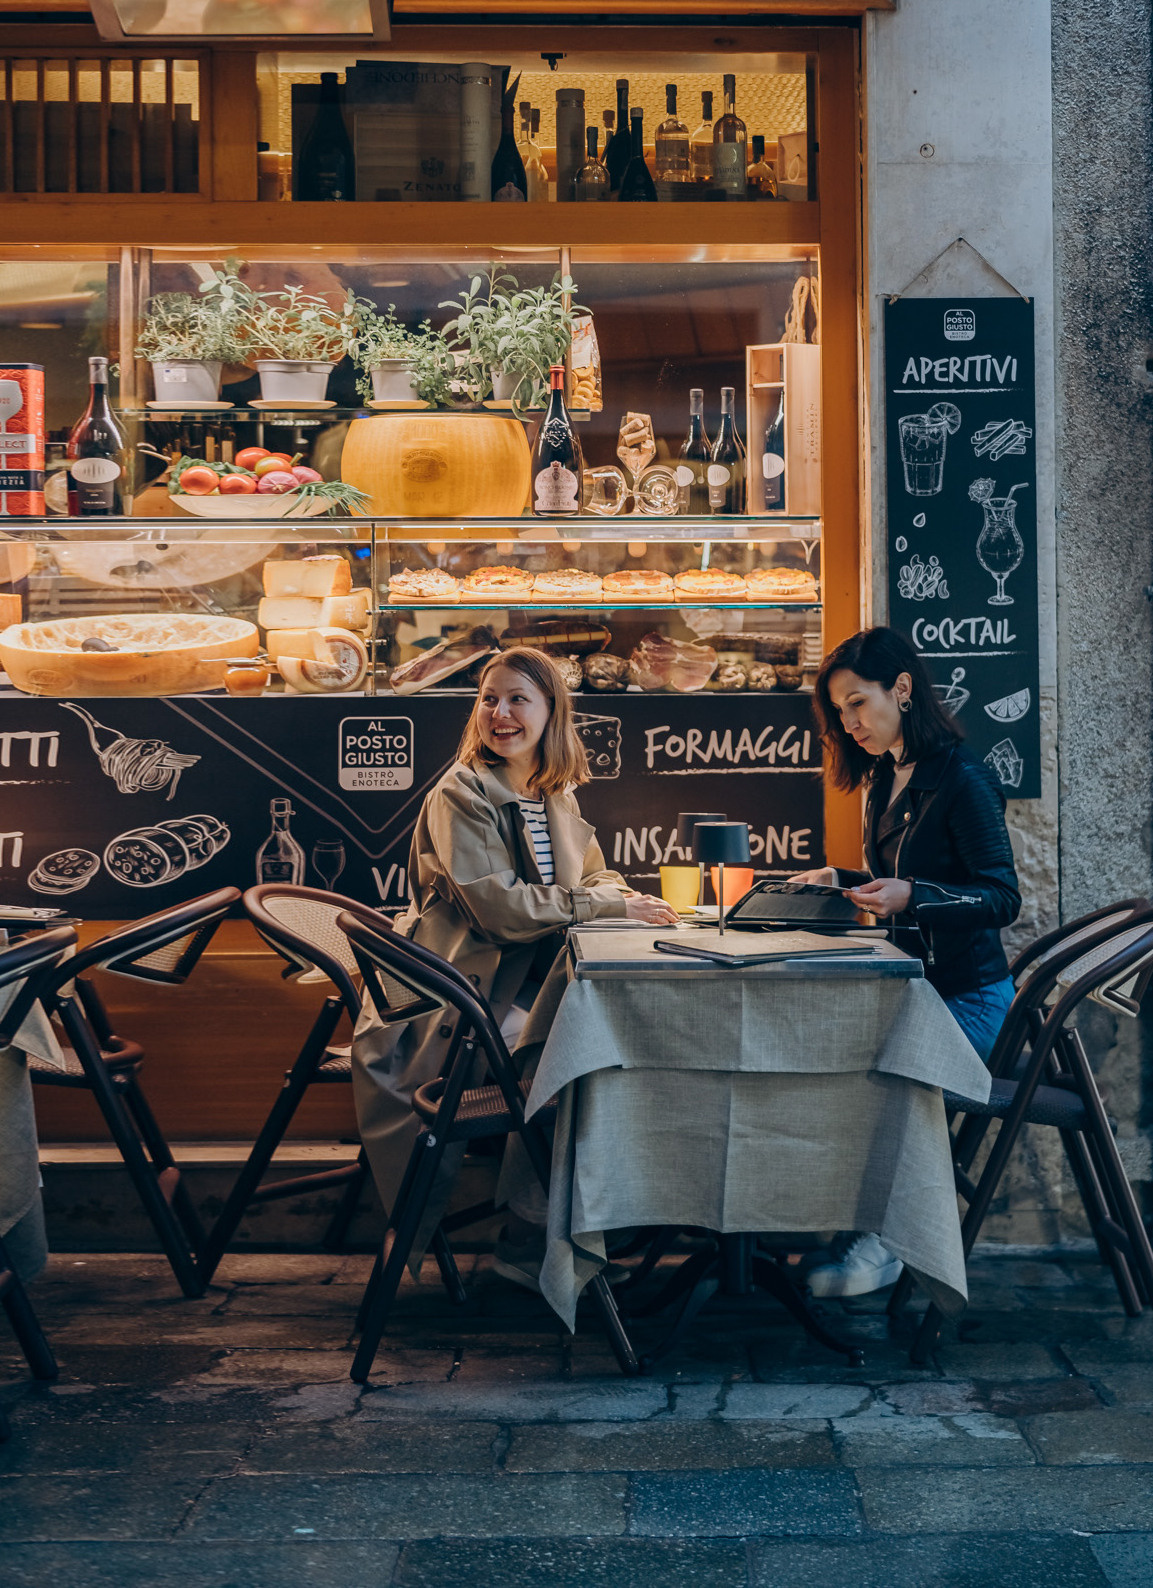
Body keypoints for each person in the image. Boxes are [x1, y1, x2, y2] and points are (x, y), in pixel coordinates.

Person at [351, 646, 677, 1285]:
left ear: (552, 712)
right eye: (489, 699)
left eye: (517, 699)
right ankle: (531, 1238)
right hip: (455, 1002)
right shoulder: (460, 792)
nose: (499, 713)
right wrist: (607, 904)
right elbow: (497, 910)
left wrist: (621, 896)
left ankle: (593, 1218)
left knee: (618, 1043)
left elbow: (593, 876)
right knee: (573, 1058)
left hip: (520, 989)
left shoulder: (551, 790)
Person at [791, 625, 1021, 1297]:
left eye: (857, 703)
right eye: (839, 711)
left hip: (971, 1002)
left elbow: (1001, 897)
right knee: (823, 1057)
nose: (849, 723)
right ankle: (854, 1221)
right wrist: (840, 878)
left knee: (878, 1079)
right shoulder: (886, 775)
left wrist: (913, 896)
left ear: (901, 688)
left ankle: (890, 1241)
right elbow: (896, 876)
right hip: (919, 992)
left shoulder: (962, 778)